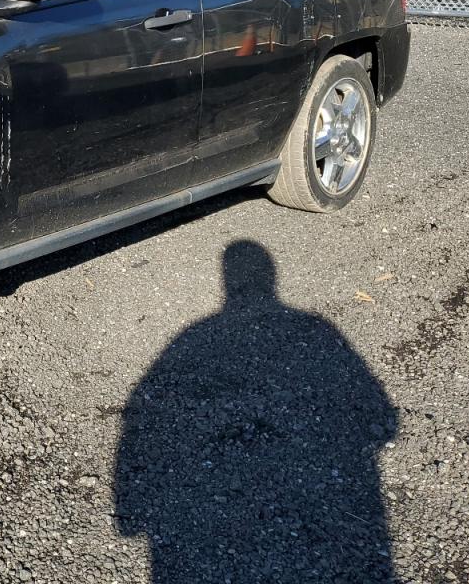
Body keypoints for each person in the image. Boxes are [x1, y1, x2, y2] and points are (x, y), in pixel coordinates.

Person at [114, 239, 399, 583]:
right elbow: (382, 418)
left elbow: (137, 416)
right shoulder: (316, 329)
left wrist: (129, 509)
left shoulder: (194, 334)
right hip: (338, 518)